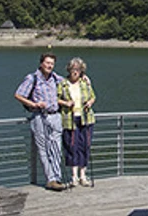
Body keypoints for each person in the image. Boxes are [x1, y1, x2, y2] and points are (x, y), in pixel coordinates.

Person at [15, 52, 66, 191]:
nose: (50, 66)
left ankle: (57, 177)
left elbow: (71, 82)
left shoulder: (56, 78)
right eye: (47, 63)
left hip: (55, 116)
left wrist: (84, 77)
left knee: (56, 147)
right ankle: (51, 179)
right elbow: (18, 95)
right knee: (43, 148)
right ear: (41, 63)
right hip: (39, 116)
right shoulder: (32, 78)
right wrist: (33, 104)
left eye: (52, 64)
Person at [57, 57, 97, 188]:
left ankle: (83, 175)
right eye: (73, 69)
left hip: (86, 119)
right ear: (69, 70)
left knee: (85, 145)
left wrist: (90, 102)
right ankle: (74, 176)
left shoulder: (85, 83)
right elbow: (55, 98)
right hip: (70, 119)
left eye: (78, 69)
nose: (75, 72)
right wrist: (65, 103)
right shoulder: (63, 84)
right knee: (72, 146)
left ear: (81, 71)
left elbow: (93, 96)